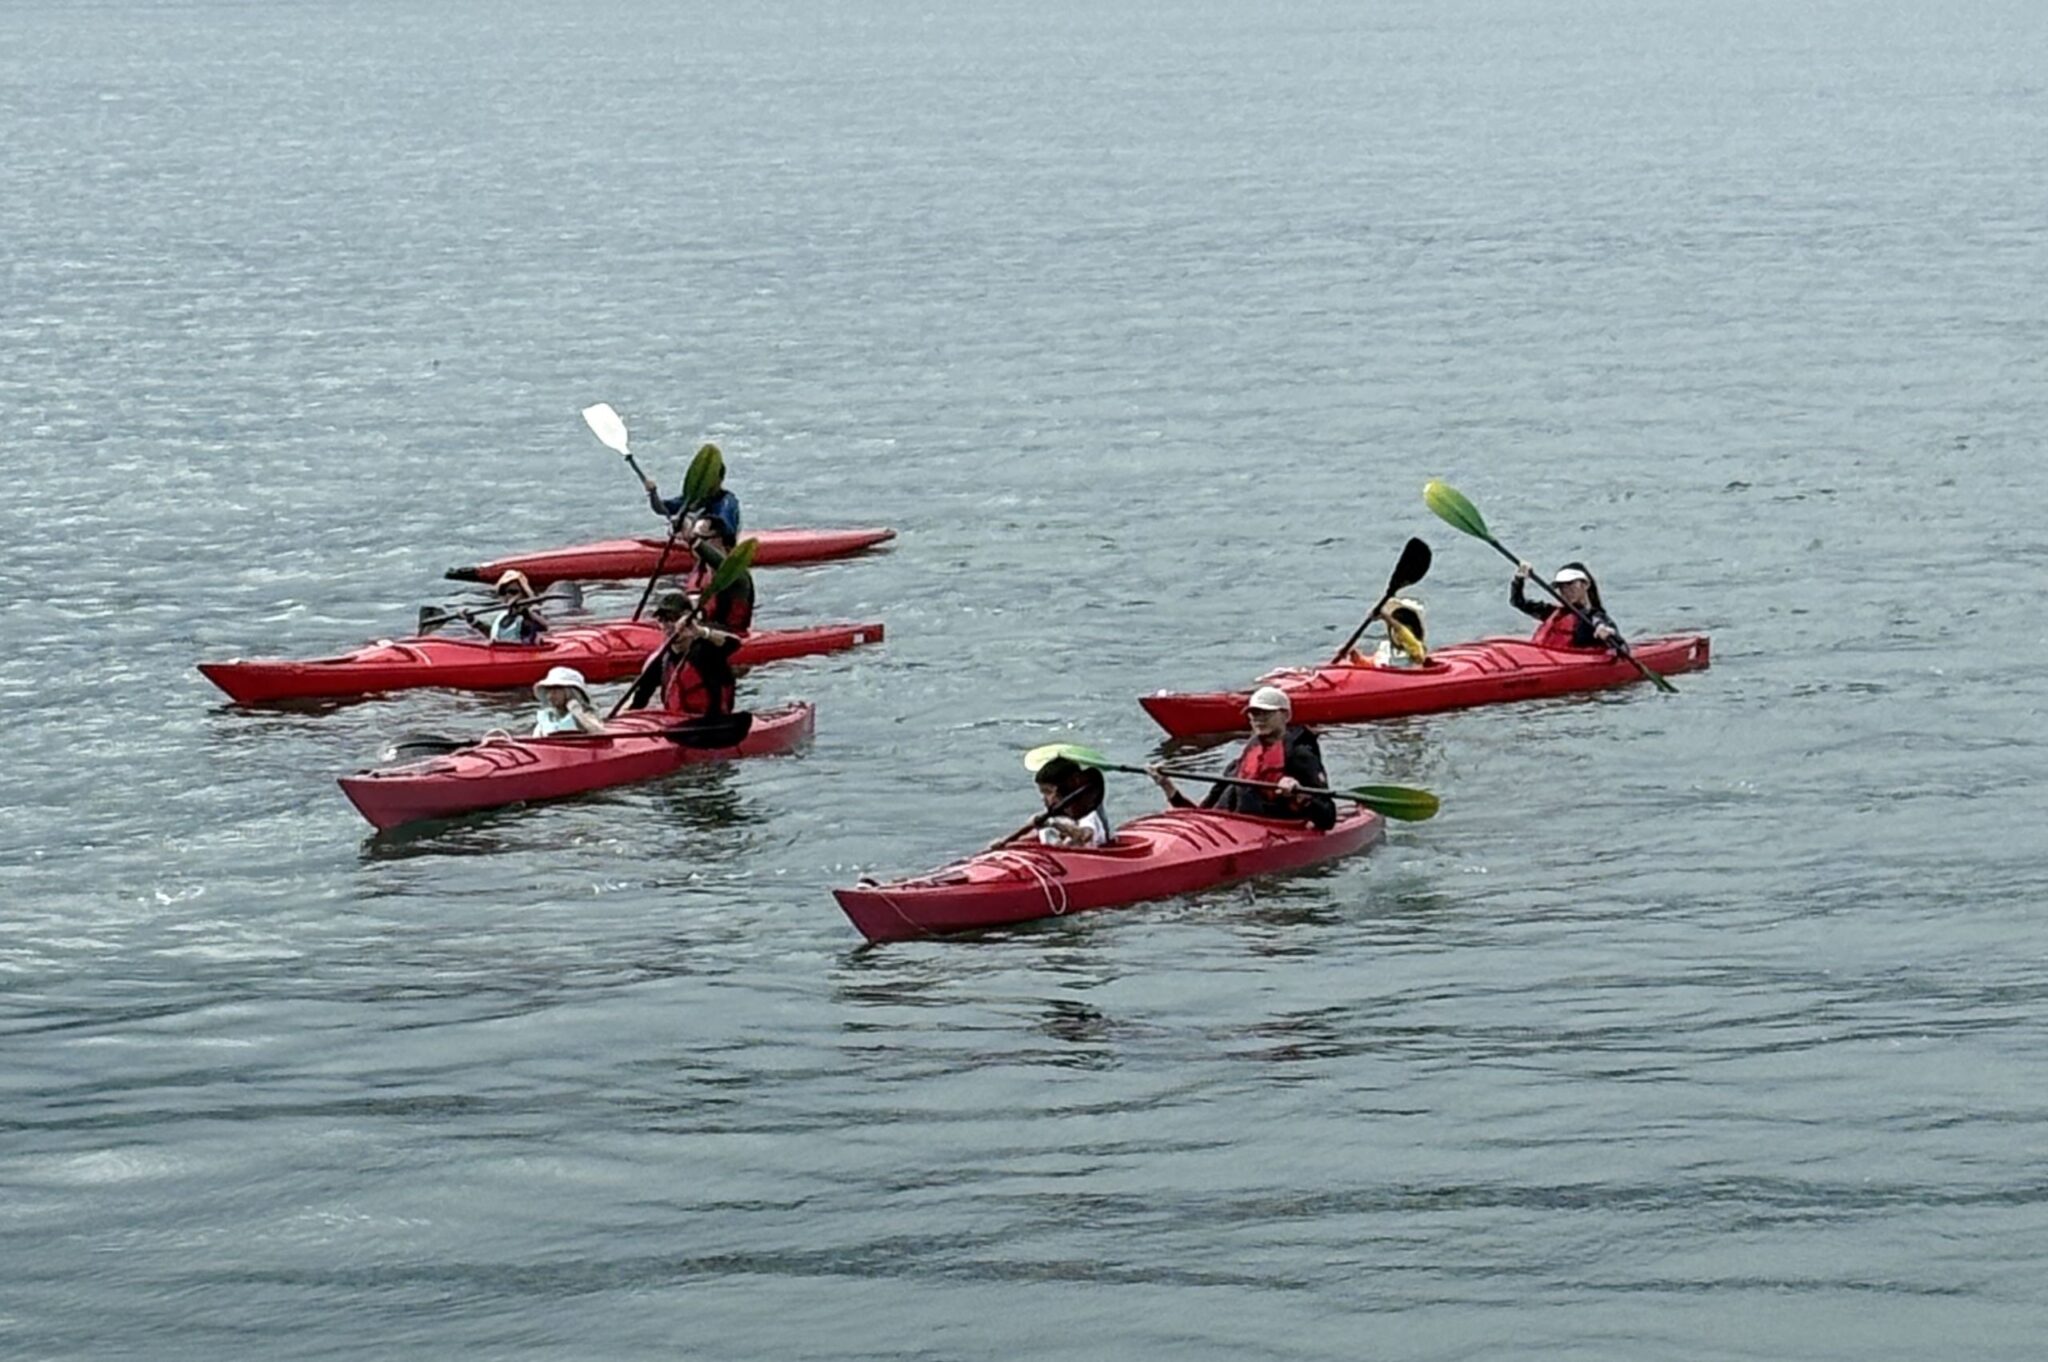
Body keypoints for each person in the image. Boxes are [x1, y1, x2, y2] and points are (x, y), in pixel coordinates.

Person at [1148, 686, 1337, 830]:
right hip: (1232, 828)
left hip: (1272, 827)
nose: (1258, 719)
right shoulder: (1241, 762)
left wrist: (1298, 793)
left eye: (1266, 713)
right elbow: (1203, 813)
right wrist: (1167, 787)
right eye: (1253, 714)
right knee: (1235, 785)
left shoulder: (1301, 755)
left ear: (1285, 715)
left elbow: (1328, 818)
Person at [623, 571, 752, 717]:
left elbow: (734, 643)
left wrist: (699, 631)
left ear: (689, 619)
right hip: (678, 725)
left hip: (713, 726)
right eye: (662, 619)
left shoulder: (707, 649)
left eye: (673, 618)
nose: (667, 625)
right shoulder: (661, 659)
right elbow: (639, 699)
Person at [1512, 561, 1617, 650]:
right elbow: (1518, 602)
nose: (1566, 591)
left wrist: (1606, 632)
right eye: (1561, 586)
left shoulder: (1593, 616)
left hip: (1573, 665)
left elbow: (1601, 623)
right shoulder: (1551, 612)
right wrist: (1519, 579)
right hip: (1543, 659)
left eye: (1570, 584)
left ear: (1585, 584)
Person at [644, 451, 742, 537]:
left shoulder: (727, 502)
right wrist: (653, 493)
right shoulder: (694, 498)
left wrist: (702, 525)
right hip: (692, 544)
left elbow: (725, 526)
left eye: (713, 478)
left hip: (720, 547)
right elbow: (661, 509)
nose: (709, 482)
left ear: (720, 479)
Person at [1028, 756, 1111, 848]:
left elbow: (1085, 835)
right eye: (1042, 793)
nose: (1044, 799)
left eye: (1048, 792)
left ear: (1066, 788)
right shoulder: (1056, 815)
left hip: (1091, 857)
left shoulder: (1088, 812)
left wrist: (1052, 824)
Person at [475, 569, 547, 645]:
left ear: (524, 593)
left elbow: (543, 626)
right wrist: (474, 622)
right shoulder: (503, 615)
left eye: (513, 592)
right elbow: (494, 634)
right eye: (503, 592)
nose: (508, 596)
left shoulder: (531, 612)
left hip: (523, 653)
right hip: (501, 653)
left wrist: (525, 612)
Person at [530, 666, 605, 737]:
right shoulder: (547, 716)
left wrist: (577, 712)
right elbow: (535, 741)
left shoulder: (584, 714)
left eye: (555, 690)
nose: (550, 696)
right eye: (548, 691)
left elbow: (599, 733)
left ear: (569, 692)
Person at [1354, 596, 1428, 667]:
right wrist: (1358, 659)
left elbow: (1403, 633)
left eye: (1407, 631)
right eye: (1395, 632)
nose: (1399, 635)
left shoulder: (1416, 649)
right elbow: (1375, 665)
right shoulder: (1386, 647)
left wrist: (1385, 617)